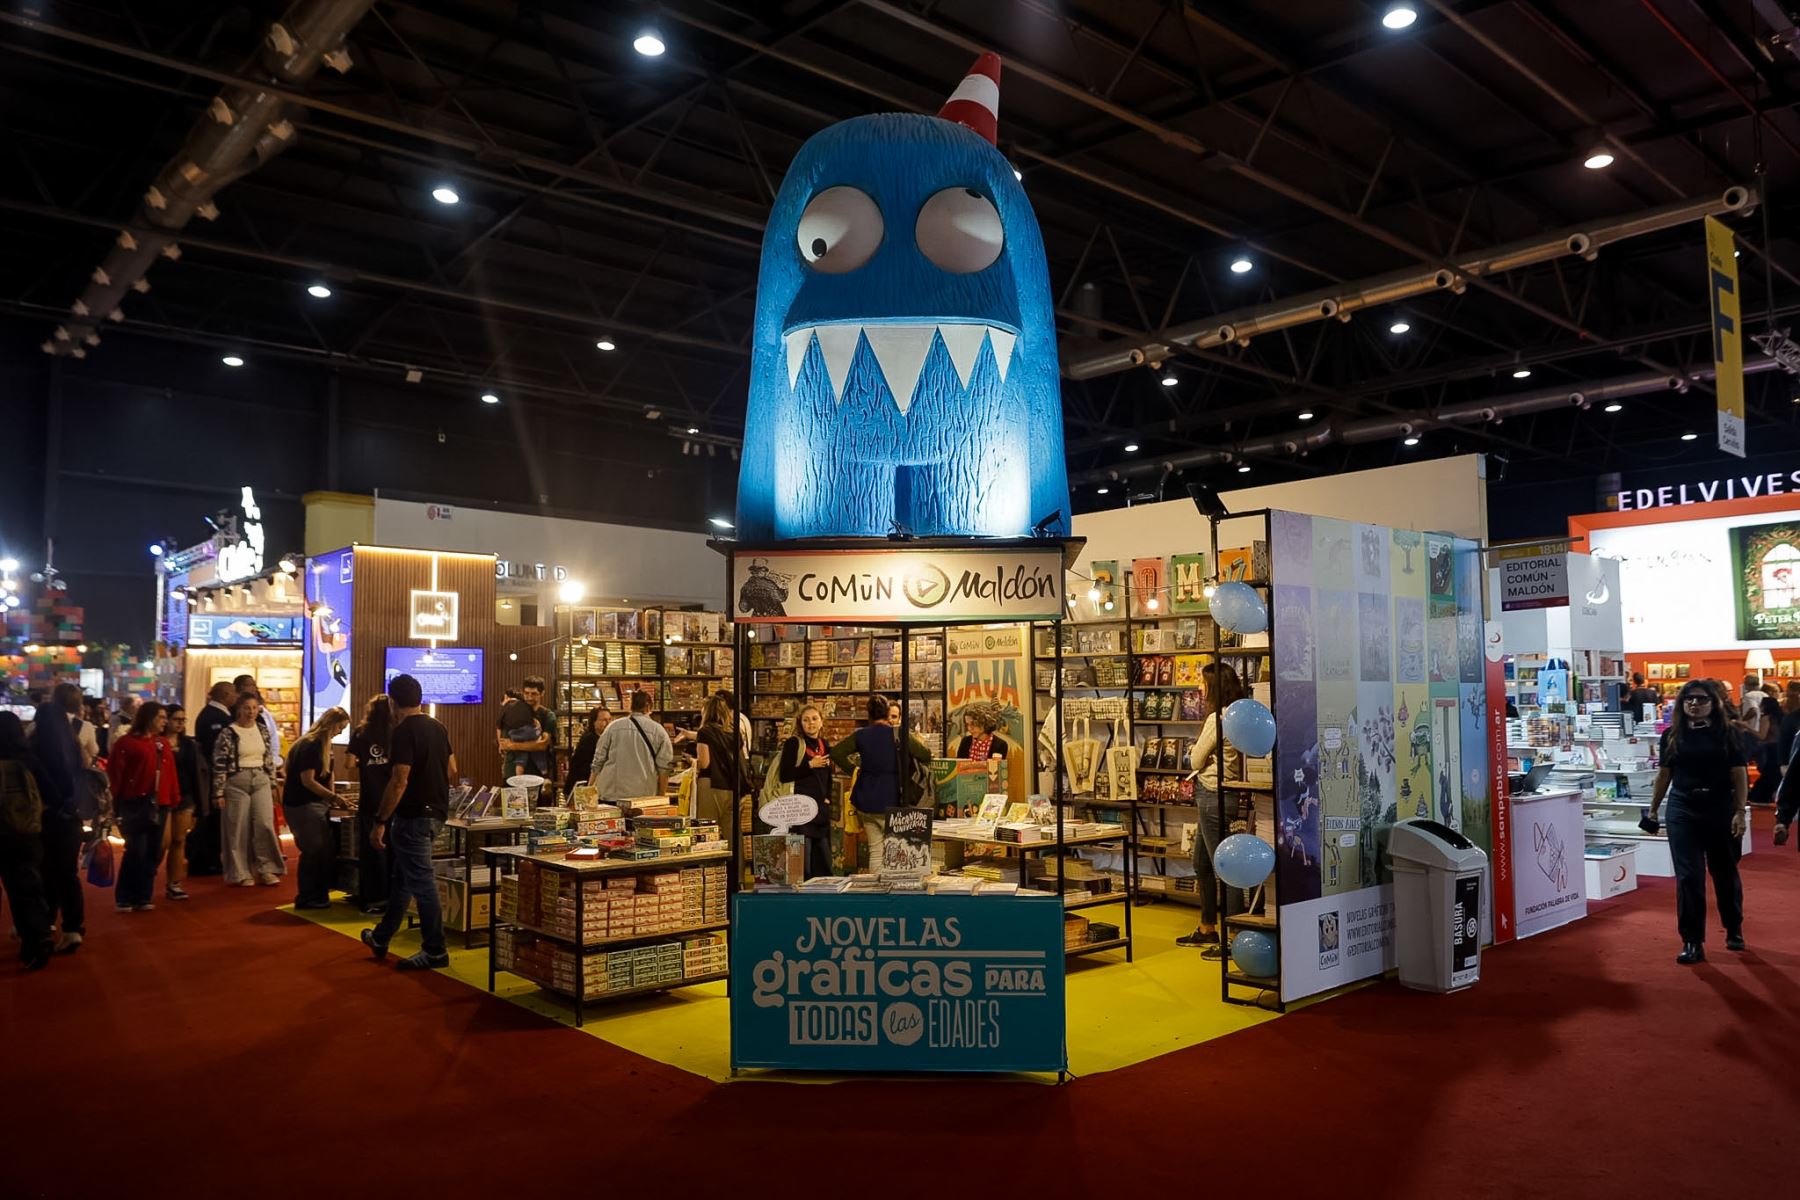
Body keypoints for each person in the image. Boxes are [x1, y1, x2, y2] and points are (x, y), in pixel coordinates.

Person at [1646, 680, 1748, 964]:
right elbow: (1664, 775)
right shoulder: (1671, 735)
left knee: (1724, 871)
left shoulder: (1730, 734)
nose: (1694, 704)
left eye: (1701, 699)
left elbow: (1739, 775)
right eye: (1688, 699)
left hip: (1720, 807)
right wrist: (1653, 810)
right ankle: (1692, 940)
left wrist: (1740, 811)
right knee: (1689, 877)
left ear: (1713, 703)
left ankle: (1734, 927)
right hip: (1682, 808)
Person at [361, 674, 457, 971]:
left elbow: (399, 781)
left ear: (392, 701)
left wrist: (380, 821)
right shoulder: (437, 727)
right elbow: (453, 769)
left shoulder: (403, 732)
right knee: (403, 879)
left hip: (413, 816)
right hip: (437, 813)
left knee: (422, 884)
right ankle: (382, 935)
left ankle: (435, 950)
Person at [1178, 663, 1248, 957]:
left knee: (1225, 867)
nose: (1199, 689)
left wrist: (1197, 753)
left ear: (1214, 686)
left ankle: (1233, 936)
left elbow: (1195, 760)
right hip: (1222, 794)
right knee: (1203, 864)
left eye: (1203, 683)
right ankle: (1208, 927)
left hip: (1212, 796)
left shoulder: (1217, 719)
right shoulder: (1238, 715)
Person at [829, 695, 931, 871]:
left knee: (875, 849)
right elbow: (925, 755)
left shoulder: (861, 735)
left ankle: (876, 889)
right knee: (898, 850)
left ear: (868, 714)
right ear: (887, 713)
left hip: (865, 799)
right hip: (892, 798)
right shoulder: (898, 734)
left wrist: (854, 770)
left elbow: (836, 753)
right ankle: (893, 890)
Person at [106, 702, 177, 913]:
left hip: (160, 803)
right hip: (135, 803)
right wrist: (113, 802)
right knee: (136, 850)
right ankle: (125, 896)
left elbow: (170, 775)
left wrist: (173, 799)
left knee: (153, 852)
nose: (165, 721)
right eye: (161, 717)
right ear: (149, 718)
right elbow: (116, 774)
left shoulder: (162, 744)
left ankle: (143, 895)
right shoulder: (126, 743)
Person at [29, 688, 85, 953]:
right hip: (71, 814)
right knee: (66, 873)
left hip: (47, 814)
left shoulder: (37, 743)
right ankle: (73, 927)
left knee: (46, 871)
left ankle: (48, 922)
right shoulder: (73, 740)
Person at [0, 711, 55, 970]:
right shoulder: (28, 759)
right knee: (27, 890)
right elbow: (53, 792)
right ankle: (38, 939)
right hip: (26, 833)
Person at [212, 692, 283, 887]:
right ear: (239, 709)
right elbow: (219, 763)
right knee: (237, 828)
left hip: (260, 778)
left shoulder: (262, 729)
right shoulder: (229, 732)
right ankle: (240, 872)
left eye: (254, 708)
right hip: (236, 781)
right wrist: (218, 791)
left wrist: (273, 783)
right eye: (247, 708)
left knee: (264, 824)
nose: (251, 712)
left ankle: (267, 868)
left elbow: (268, 758)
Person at [284, 707, 350, 910]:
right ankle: (308, 896)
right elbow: (308, 781)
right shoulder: (311, 745)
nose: (340, 732)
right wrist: (334, 797)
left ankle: (316, 894)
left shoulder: (321, 745)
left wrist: (331, 799)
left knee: (320, 850)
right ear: (332, 724)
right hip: (303, 805)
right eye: (340, 727)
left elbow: (328, 775)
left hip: (312, 804)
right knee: (314, 850)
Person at [346, 695, 395, 913]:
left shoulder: (360, 732)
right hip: (393, 799)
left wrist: (366, 761)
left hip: (369, 798)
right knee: (393, 849)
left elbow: (348, 763)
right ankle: (392, 897)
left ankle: (372, 897)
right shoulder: (397, 732)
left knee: (371, 850)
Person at [775, 704, 835, 878]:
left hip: (820, 811)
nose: (811, 723)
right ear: (800, 723)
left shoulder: (824, 745)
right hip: (800, 810)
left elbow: (828, 776)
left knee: (824, 862)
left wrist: (828, 797)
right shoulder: (794, 744)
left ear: (822, 722)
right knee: (804, 865)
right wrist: (809, 765)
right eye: (806, 720)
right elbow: (785, 775)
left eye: (815, 719)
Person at [186, 681, 236, 877]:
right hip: (212, 775)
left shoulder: (217, 714)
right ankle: (204, 859)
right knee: (211, 820)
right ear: (224, 694)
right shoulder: (214, 716)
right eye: (232, 693)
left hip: (213, 774)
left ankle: (208, 858)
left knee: (213, 820)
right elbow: (215, 750)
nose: (235, 697)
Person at [592, 689, 674, 803]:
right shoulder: (659, 731)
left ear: (631, 706)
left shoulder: (613, 727)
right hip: (643, 795)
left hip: (611, 793)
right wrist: (660, 796)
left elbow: (598, 761)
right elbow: (664, 768)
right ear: (649, 706)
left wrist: (590, 787)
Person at [694, 694, 749, 834]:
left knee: (708, 831)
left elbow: (704, 763)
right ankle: (734, 857)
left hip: (711, 785)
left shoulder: (704, 732)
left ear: (706, 711)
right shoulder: (733, 732)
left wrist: (692, 762)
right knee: (731, 832)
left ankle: (713, 857)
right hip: (733, 787)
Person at [161, 705, 200, 902]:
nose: (180, 723)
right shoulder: (157, 742)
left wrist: (197, 804)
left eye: (183, 720)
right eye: (176, 719)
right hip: (163, 797)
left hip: (184, 796)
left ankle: (174, 882)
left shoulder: (188, 744)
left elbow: (194, 774)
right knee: (163, 842)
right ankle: (147, 877)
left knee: (179, 840)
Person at [496, 675, 556, 784]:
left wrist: (514, 745)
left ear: (542, 693)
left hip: (536, 773)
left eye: (534, 694)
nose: (529, 697)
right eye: (526, 693)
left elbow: (542, 745)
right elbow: (503, 743)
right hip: (511, 771)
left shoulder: (547, 715)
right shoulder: (512, 710)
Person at [564, 707, 611, 797]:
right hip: (581, 788)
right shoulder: (589, 739)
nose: (608, 723)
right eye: (604, 720)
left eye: (609, 719)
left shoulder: (603, 738)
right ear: (594, 722)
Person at [1748, 693, 1782, 806]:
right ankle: (1763, 795)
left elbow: (1761, 735)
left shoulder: (1766, 718)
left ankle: (1759, 796)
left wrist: (1746, 727)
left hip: (1770, 747)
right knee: (1772, 772)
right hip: (1779, 747)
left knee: (1769, 772)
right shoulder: (1780, 717)